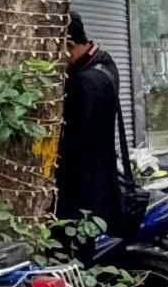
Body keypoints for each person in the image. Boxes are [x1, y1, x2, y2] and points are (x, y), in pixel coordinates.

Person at [57, 15, 138, 233]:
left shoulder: (85, 83)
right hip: (102, 186)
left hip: (85, 194)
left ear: (70, 46)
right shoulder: (105, 62)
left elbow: (72, 141)